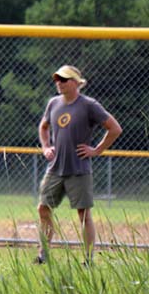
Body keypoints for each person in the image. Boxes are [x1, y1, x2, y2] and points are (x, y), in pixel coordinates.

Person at [36, 65, 122, 265]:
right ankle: (43, 255)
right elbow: (43, 126)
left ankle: (88, 259)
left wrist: (97, 150)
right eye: (57, 79)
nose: (59, 83)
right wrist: (46, 147)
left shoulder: (89, 105)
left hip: (79, 169)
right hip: (56, 168)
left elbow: (115, 128)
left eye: (64, 80)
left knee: (84, 214)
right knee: (43, 209)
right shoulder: (53, 103)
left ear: (76, 82)